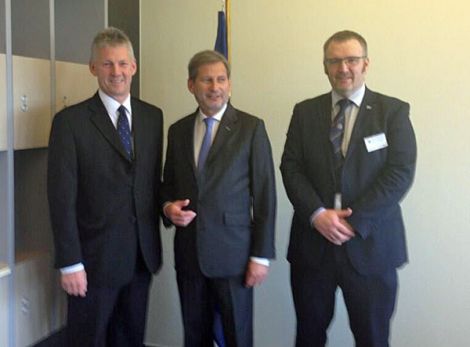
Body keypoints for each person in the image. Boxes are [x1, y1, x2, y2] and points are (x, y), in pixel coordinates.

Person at [280, 30, 417, 347]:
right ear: (325, 66)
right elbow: (291, 167)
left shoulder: (393, 112)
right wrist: (317, 215)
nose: (344, 68)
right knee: (309, 337)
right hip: (313, 247)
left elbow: (400, 172)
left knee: (372, 338)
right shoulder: (304, 112)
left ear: (366, 64)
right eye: (335, 61)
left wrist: (354, 222)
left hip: (371, 247)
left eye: (352, 60)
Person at [47, 27, 163, 347]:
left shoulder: (153, 118)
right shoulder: (69, 123)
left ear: (134, 67)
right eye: (108, 64)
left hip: (141, 259)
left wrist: (168, 208)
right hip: (92, 264)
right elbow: (61, 198)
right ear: (93, 68)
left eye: (123, 63)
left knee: (131, 340)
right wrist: (70, 262)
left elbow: (150, 184)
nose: (117, 72)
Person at [161, 50, 276, 347]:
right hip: (190, 256)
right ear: (191, 85)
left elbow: (265, 197)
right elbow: (168, 186)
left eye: (221, 79)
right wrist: (168, 207)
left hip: (235, 257)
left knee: (237, 336)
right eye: (207, 80)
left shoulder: (251, 128)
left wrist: (260, 256)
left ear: (230, 84)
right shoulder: (178, 131)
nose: (215, 87)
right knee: (194, 336)